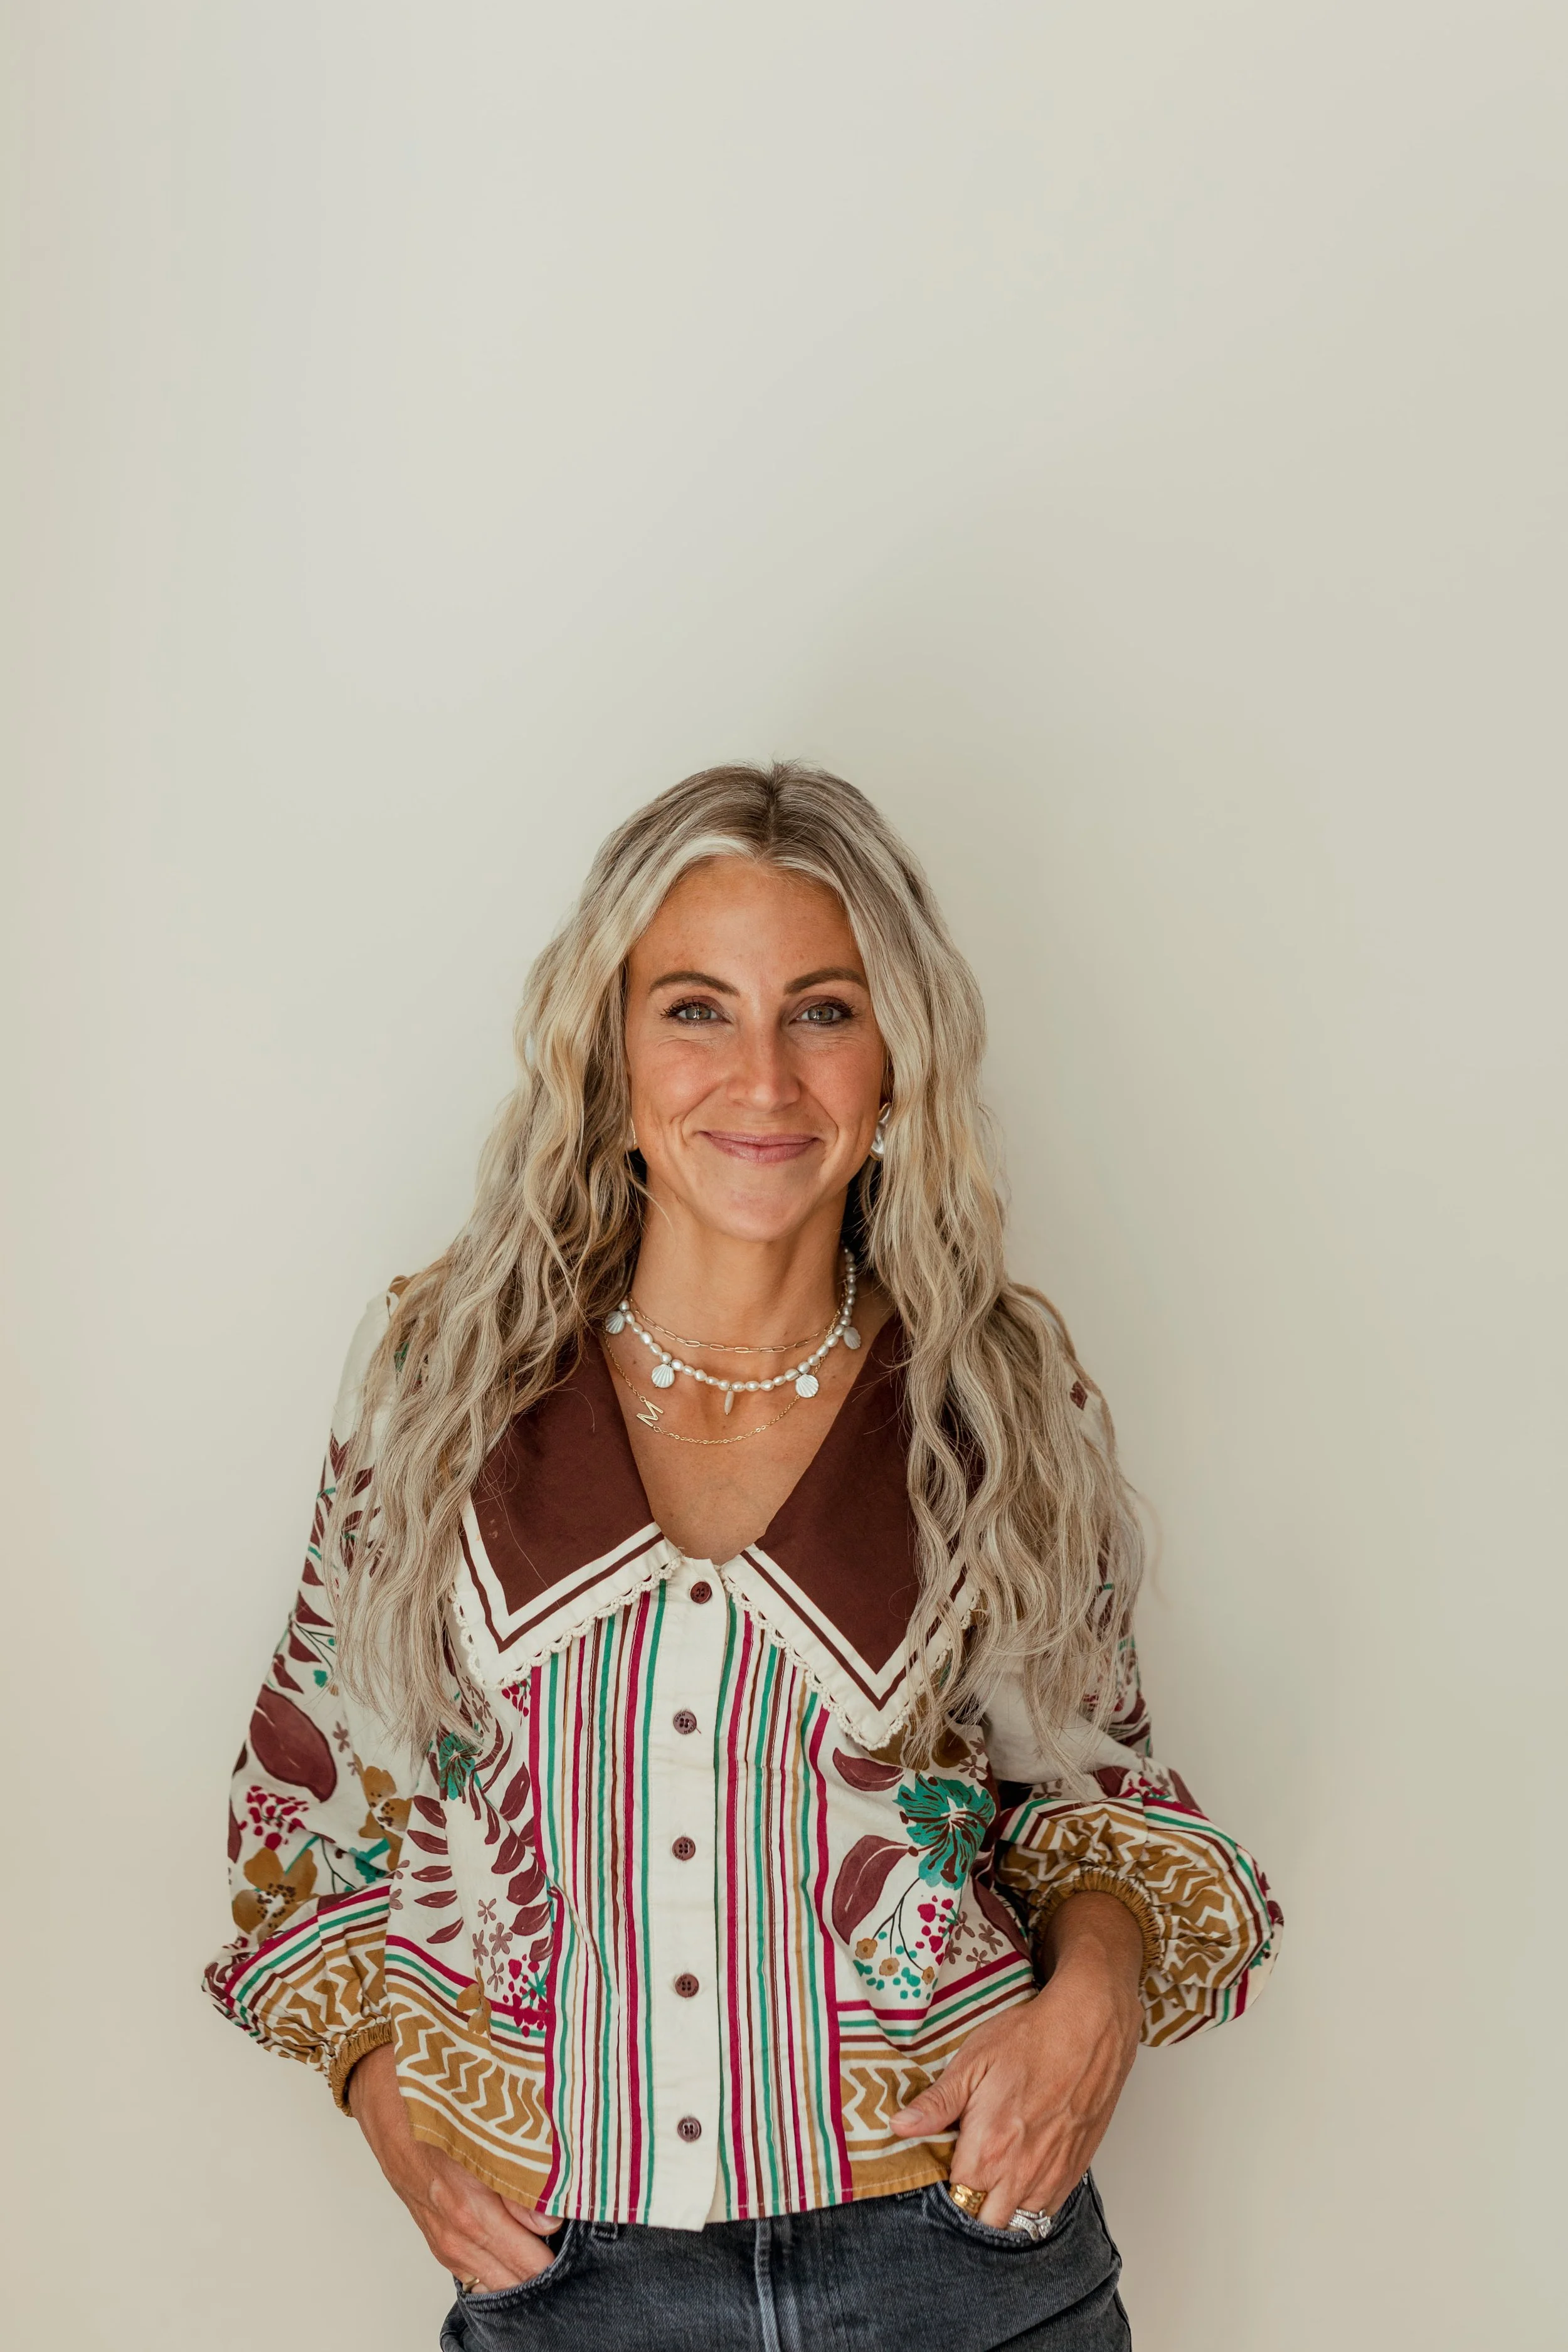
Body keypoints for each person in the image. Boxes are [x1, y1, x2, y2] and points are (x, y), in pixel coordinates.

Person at [204, 763, 1281, 2350]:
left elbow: (1088, 1792)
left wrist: (1093, 2008)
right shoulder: (444, 1383)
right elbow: (309, 1805)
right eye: (696, 1010)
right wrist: (390, 2107)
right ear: (610, 1054)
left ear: (896, 1058)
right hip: (570, 2283)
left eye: (821, 1011)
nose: (761, 1077)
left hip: (960, 2257)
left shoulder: (988, 1395)